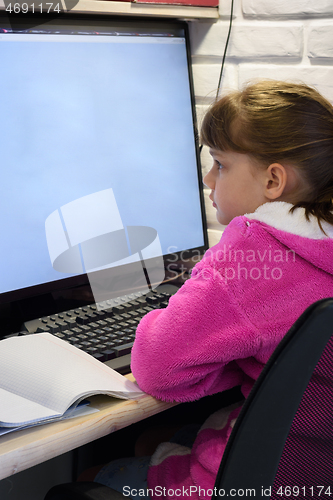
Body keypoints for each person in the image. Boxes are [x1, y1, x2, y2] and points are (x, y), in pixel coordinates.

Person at [92, 80, 333, 499]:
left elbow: (157, 369)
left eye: (220, 164)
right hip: (315, 468)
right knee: (157, 437)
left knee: (99, 474)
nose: (208, 178)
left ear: (274, 181)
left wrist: (165, 310)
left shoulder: (255, 248)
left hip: (258, 481)